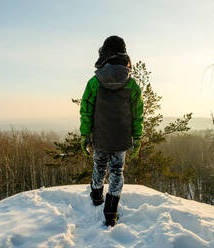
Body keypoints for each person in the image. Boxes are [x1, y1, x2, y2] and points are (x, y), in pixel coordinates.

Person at [79, 35, 144, 226]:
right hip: (121, 138)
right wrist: (137, 137)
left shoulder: (94, 82)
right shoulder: (132, 84)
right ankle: (111, 212)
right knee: (117, 171)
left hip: (100, 136)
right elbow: (137, 114)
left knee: (99, 166)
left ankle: (97, 198)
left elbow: (86, 110)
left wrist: (85, 135)